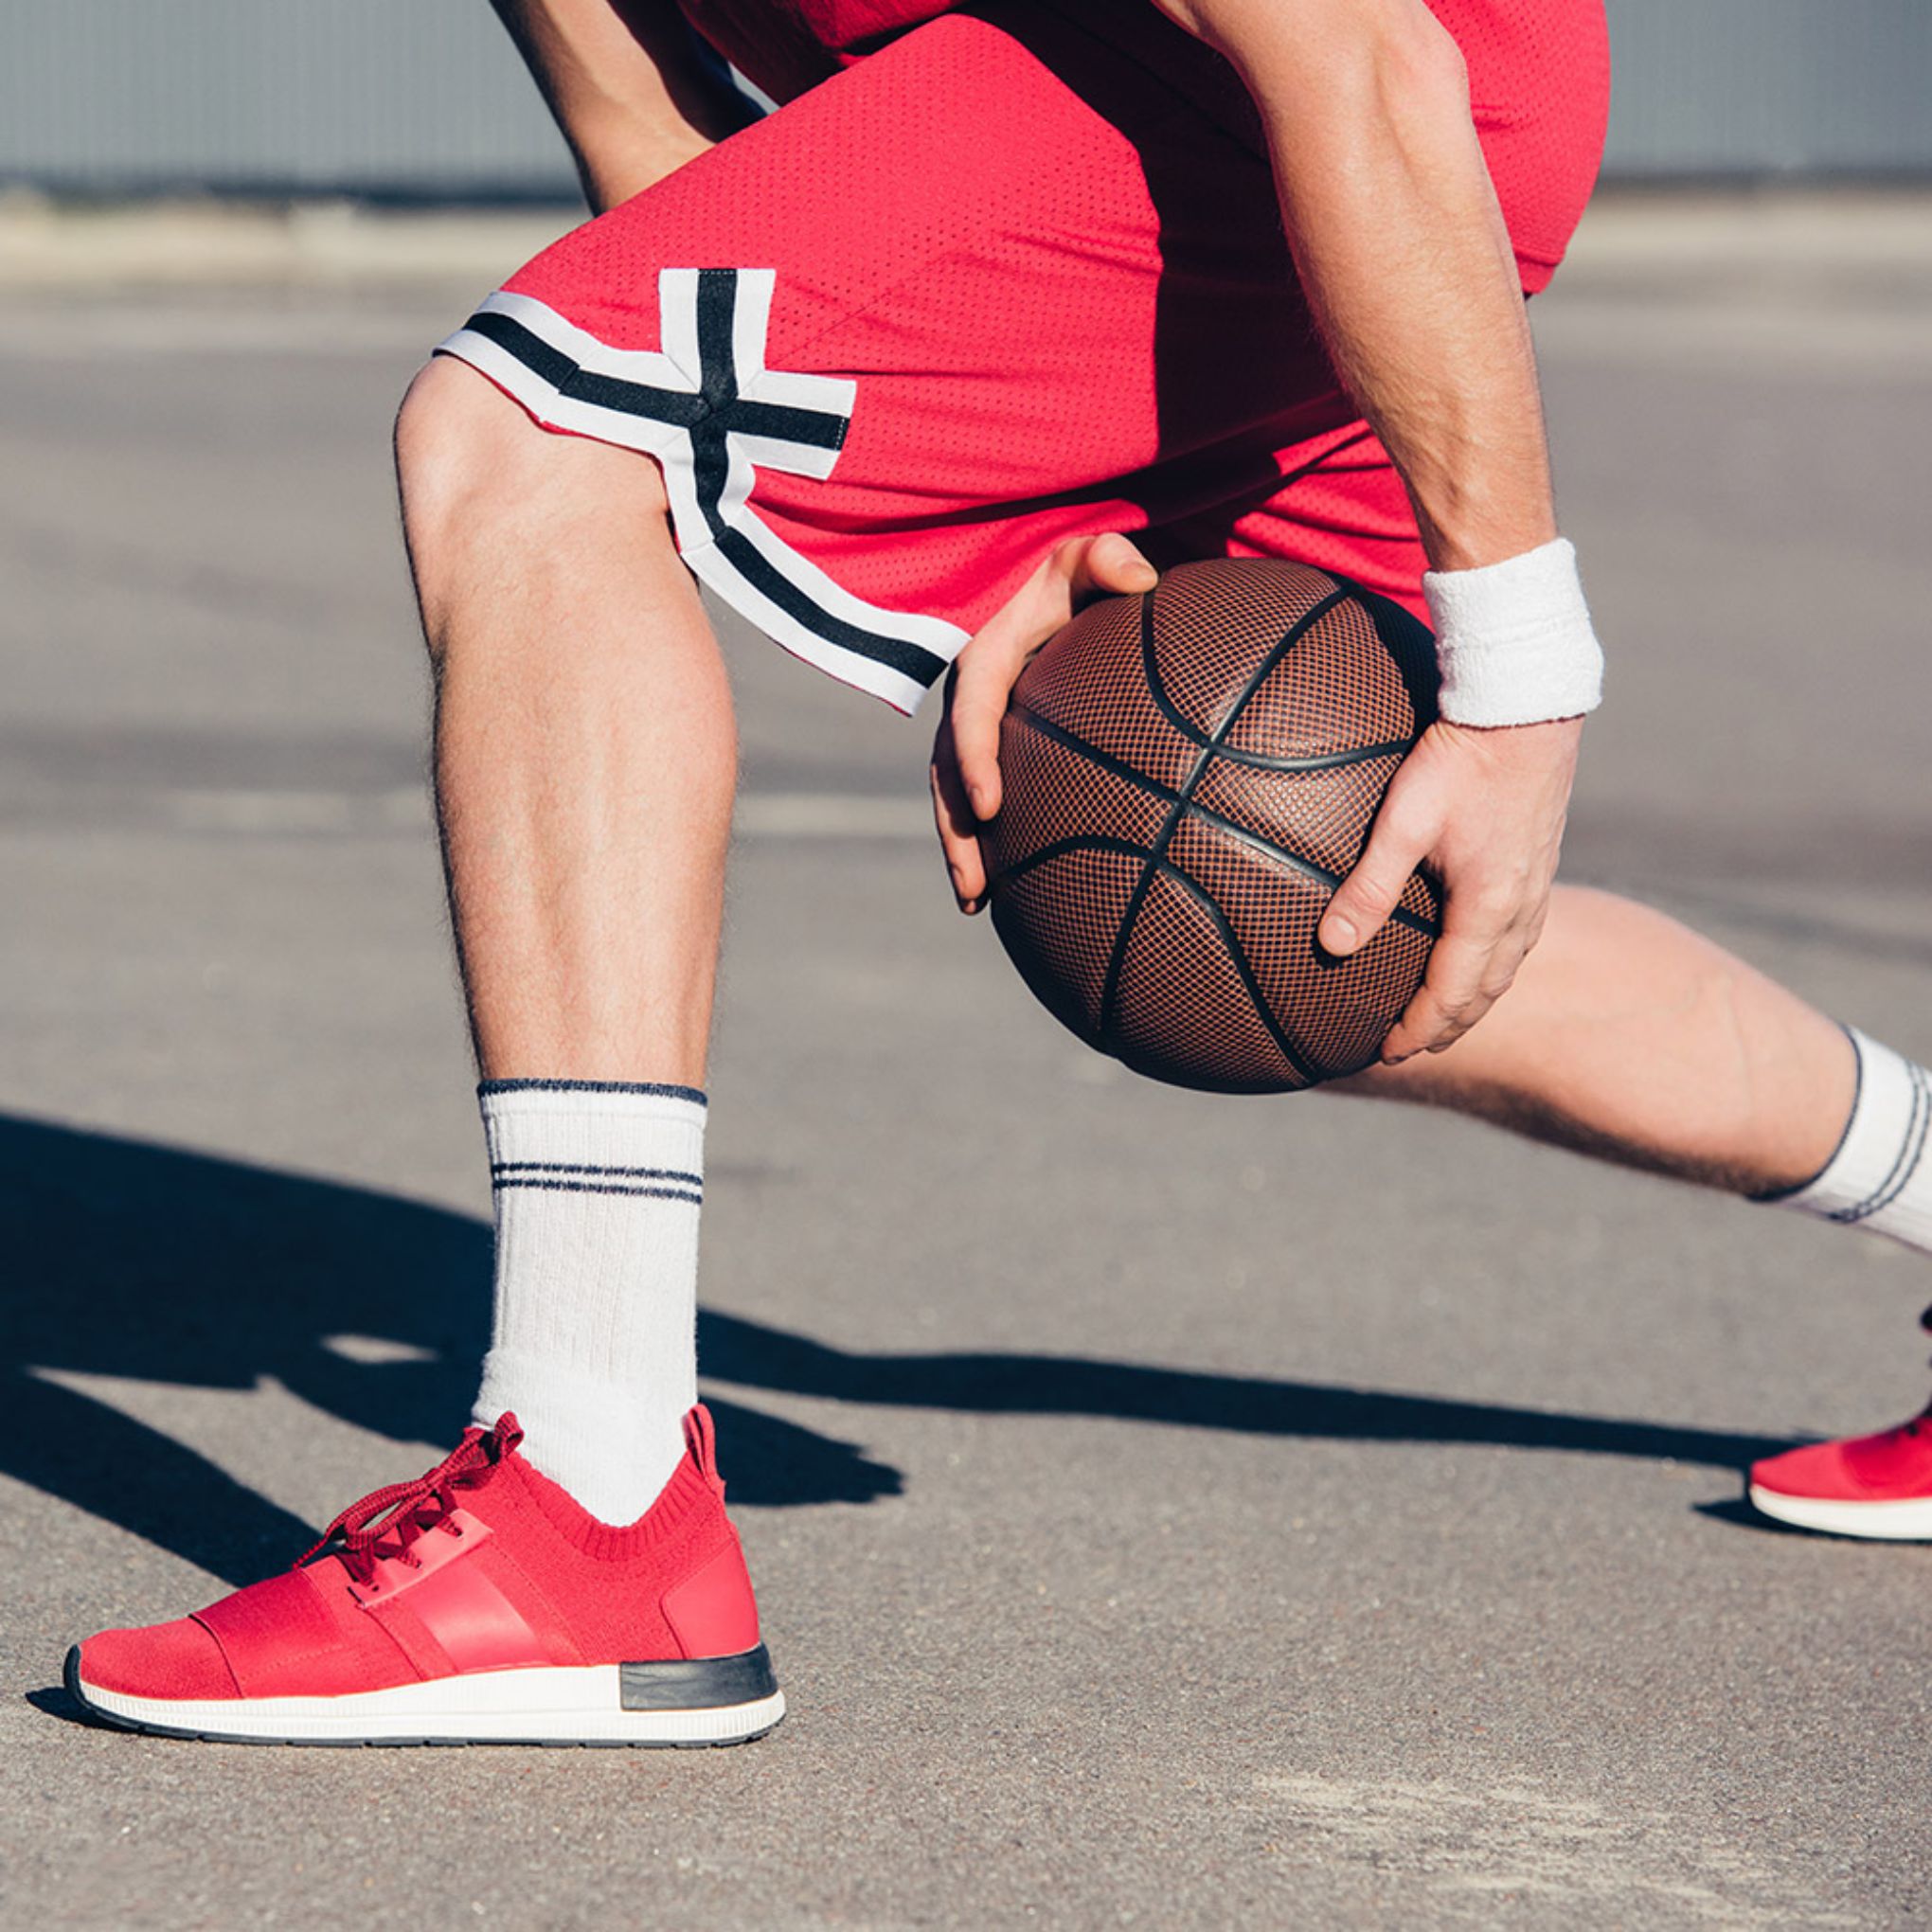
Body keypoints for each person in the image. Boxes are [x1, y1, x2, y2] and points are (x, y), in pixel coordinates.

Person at [63, 0, 1930, 1744]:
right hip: (1173, 109)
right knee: (1312, 906)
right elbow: (680, 172)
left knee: (528, 433)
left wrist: (1519, 680)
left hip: (1368, 100)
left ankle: (589, 1495)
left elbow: (1356, 54)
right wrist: (998, 499)